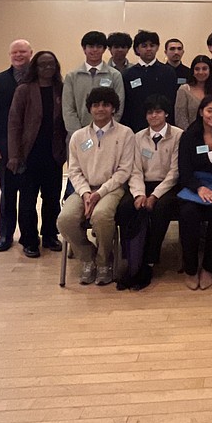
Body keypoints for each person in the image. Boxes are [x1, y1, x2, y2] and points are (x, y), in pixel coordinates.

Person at [57, 87, 135, 286]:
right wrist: (85, 194)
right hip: (83, 189)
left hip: (112, 189)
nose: (101, 109)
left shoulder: (126, 134)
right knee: (65, 220)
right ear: (90, 109)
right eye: (96, 105)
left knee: (101, 216)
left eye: (106, 105)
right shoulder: (78, 137)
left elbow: (124, 171)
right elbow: (73, 170)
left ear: (113, 108)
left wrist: (99, 193)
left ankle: (104, 261)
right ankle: (87, 256)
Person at [116, 95, 182, 289]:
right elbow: (134, 169)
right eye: (150, 112)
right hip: (143, 185)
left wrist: (154, 195)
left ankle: (149, 262)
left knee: (161, 209)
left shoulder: (178, 135)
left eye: (158, 111)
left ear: (166, 114)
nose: (154, 116)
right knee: (126, 207)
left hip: (168, 186)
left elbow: (175, 172)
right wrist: (139, 194)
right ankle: (131, 260)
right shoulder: (137, 137)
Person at [7, 51, 67, 258]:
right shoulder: (24, 90)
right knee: (27, 200)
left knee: (52, 198)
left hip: (54, 154)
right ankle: (29, 239)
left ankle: (50, 235)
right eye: (43, 65)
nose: (47, 69)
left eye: (51, 65)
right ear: (35, 67)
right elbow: (14, 124)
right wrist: (14, 156)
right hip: (29, 154)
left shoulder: (61, 89)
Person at [178, 94, 212, 290]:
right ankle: (191, 268)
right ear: (201, 111)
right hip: (195, 186)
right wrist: (198, 187)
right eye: (210, 110)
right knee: (188, 213)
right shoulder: (188, 136)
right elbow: (183, 170)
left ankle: (209, 267)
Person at [0, 38, 33, 251]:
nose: (18, 55)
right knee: (8, 194)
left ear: (31, 53)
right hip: (4, 148)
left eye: (22, 51)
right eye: (15, 53)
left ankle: (28, 236)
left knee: (29, 195)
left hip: (31, 148)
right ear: (10, 56)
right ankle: (5, 235)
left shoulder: (38, 81)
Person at [62, 31, 125, 138]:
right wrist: (79, 134)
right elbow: (68, 109)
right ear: (84, 49)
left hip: (108, 134)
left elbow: (118, 106)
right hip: (78, 135)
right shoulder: (72, 76)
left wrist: (105, 130)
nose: (95, 50)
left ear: (104, 49)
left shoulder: (115, 75)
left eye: (99, 46)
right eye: (91, 46)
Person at [121, 30, 178, 132]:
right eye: (144, 46)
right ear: (137, 49)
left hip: (163, 126)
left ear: (157, 48)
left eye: (152, 45)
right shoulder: (128, 74)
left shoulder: (168, 72)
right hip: (136, 127)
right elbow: (127, 105)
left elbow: (172, 101)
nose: (148, 49)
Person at [175, 55, 212, 130]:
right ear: (192, 71)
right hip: (190, 136)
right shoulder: (184, 90)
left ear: (210, 70)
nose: (201, 72)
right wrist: (190, 136)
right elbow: (180, 118)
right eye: (197, 69)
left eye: (204, 69)